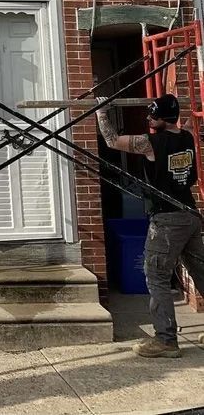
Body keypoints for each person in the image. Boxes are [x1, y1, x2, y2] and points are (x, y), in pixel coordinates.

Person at [96, 93, 204, 358]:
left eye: (151, 115)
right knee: (201, 273)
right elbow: (189, 122)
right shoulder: (187, 137)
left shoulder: (150, 143)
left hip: (166, 219)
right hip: (190, 214)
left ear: (159, 118)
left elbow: (111, 141)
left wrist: (101, 112)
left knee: (156, 276)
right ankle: (167, 337)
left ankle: (166, 340)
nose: (148, 118)